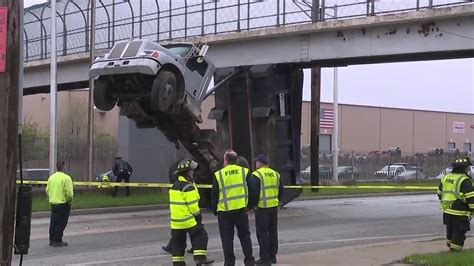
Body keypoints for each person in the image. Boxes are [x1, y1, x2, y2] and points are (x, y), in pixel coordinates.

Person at [211, 150, 258, 266]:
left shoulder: (219, 175)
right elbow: (253, 190)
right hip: (241, 211)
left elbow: (214, 195)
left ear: (226, 160)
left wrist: (215, 210)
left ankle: (229, 262)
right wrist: (250, 206)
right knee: (245, 237)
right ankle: (249, 261)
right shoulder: (244, 172)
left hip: (224, 213)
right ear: (236, 160)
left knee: (227, 239)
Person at [168, 159, 214, 265]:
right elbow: (193, 206)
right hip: (188, 220)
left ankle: (178, 263)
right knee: (201, 235)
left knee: (178, 244)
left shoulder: (175, 185)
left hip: (176, 223)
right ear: (186, 173)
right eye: (192, 171)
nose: (194, 173)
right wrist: (198, 216)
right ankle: (200, 257)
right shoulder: (188, 187)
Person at [252, 154, 284, 265]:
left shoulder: (257, 175)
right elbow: (281, 191)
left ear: (260, 163)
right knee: (273, 232)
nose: (255, 164)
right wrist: (277, 201)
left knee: (262, 233)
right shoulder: (276, 174)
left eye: (256, 162)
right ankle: (272, 256)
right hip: (273, 207)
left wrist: (252, 205)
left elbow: (254, 192)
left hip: (262, 208)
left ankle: (264, 258)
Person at [437, 157, 474, 252]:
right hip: (460, 214)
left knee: (450, 235)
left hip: (447, 212)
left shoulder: (446, 177)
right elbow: (471, 199)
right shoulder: (464, 180)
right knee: (458, 238)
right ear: (464, 168)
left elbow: (439, 193)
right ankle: (455, 254)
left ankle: (451, 251)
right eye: (467, 168)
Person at [46, 161, 74, 247]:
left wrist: (51, 197)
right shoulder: (66, 178)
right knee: (61, 222)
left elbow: (47, 190)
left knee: (53, 221)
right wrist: (69, 200)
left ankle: (51, 239)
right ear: (64, 167)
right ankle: (58, 240)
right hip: (63, 203)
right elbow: (69, 192)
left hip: (53, 202)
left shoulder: (51, 178)